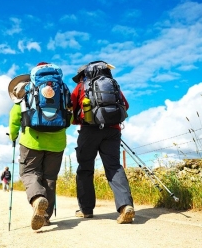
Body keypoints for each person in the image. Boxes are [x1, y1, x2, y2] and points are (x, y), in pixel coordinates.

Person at [8, 62, 71, 231]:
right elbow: (68, 117)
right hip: (57, 142)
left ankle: (37, 199)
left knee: (29, 172)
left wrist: (13, 135)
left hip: (31, 140)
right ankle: (45, 217)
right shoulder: (63, 89)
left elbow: (15, 116)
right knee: (50, 178)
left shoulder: (28, 89)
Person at [70, 62, 135, 224]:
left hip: (89, 131)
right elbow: (125, 105)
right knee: (114, 166)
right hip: (113, 130)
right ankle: (125, 206)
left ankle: (86, 210)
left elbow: (72, 110)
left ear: (83, 75)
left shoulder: (81, 87)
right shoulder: (112, 84)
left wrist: (82, 118)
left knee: (85, 168)